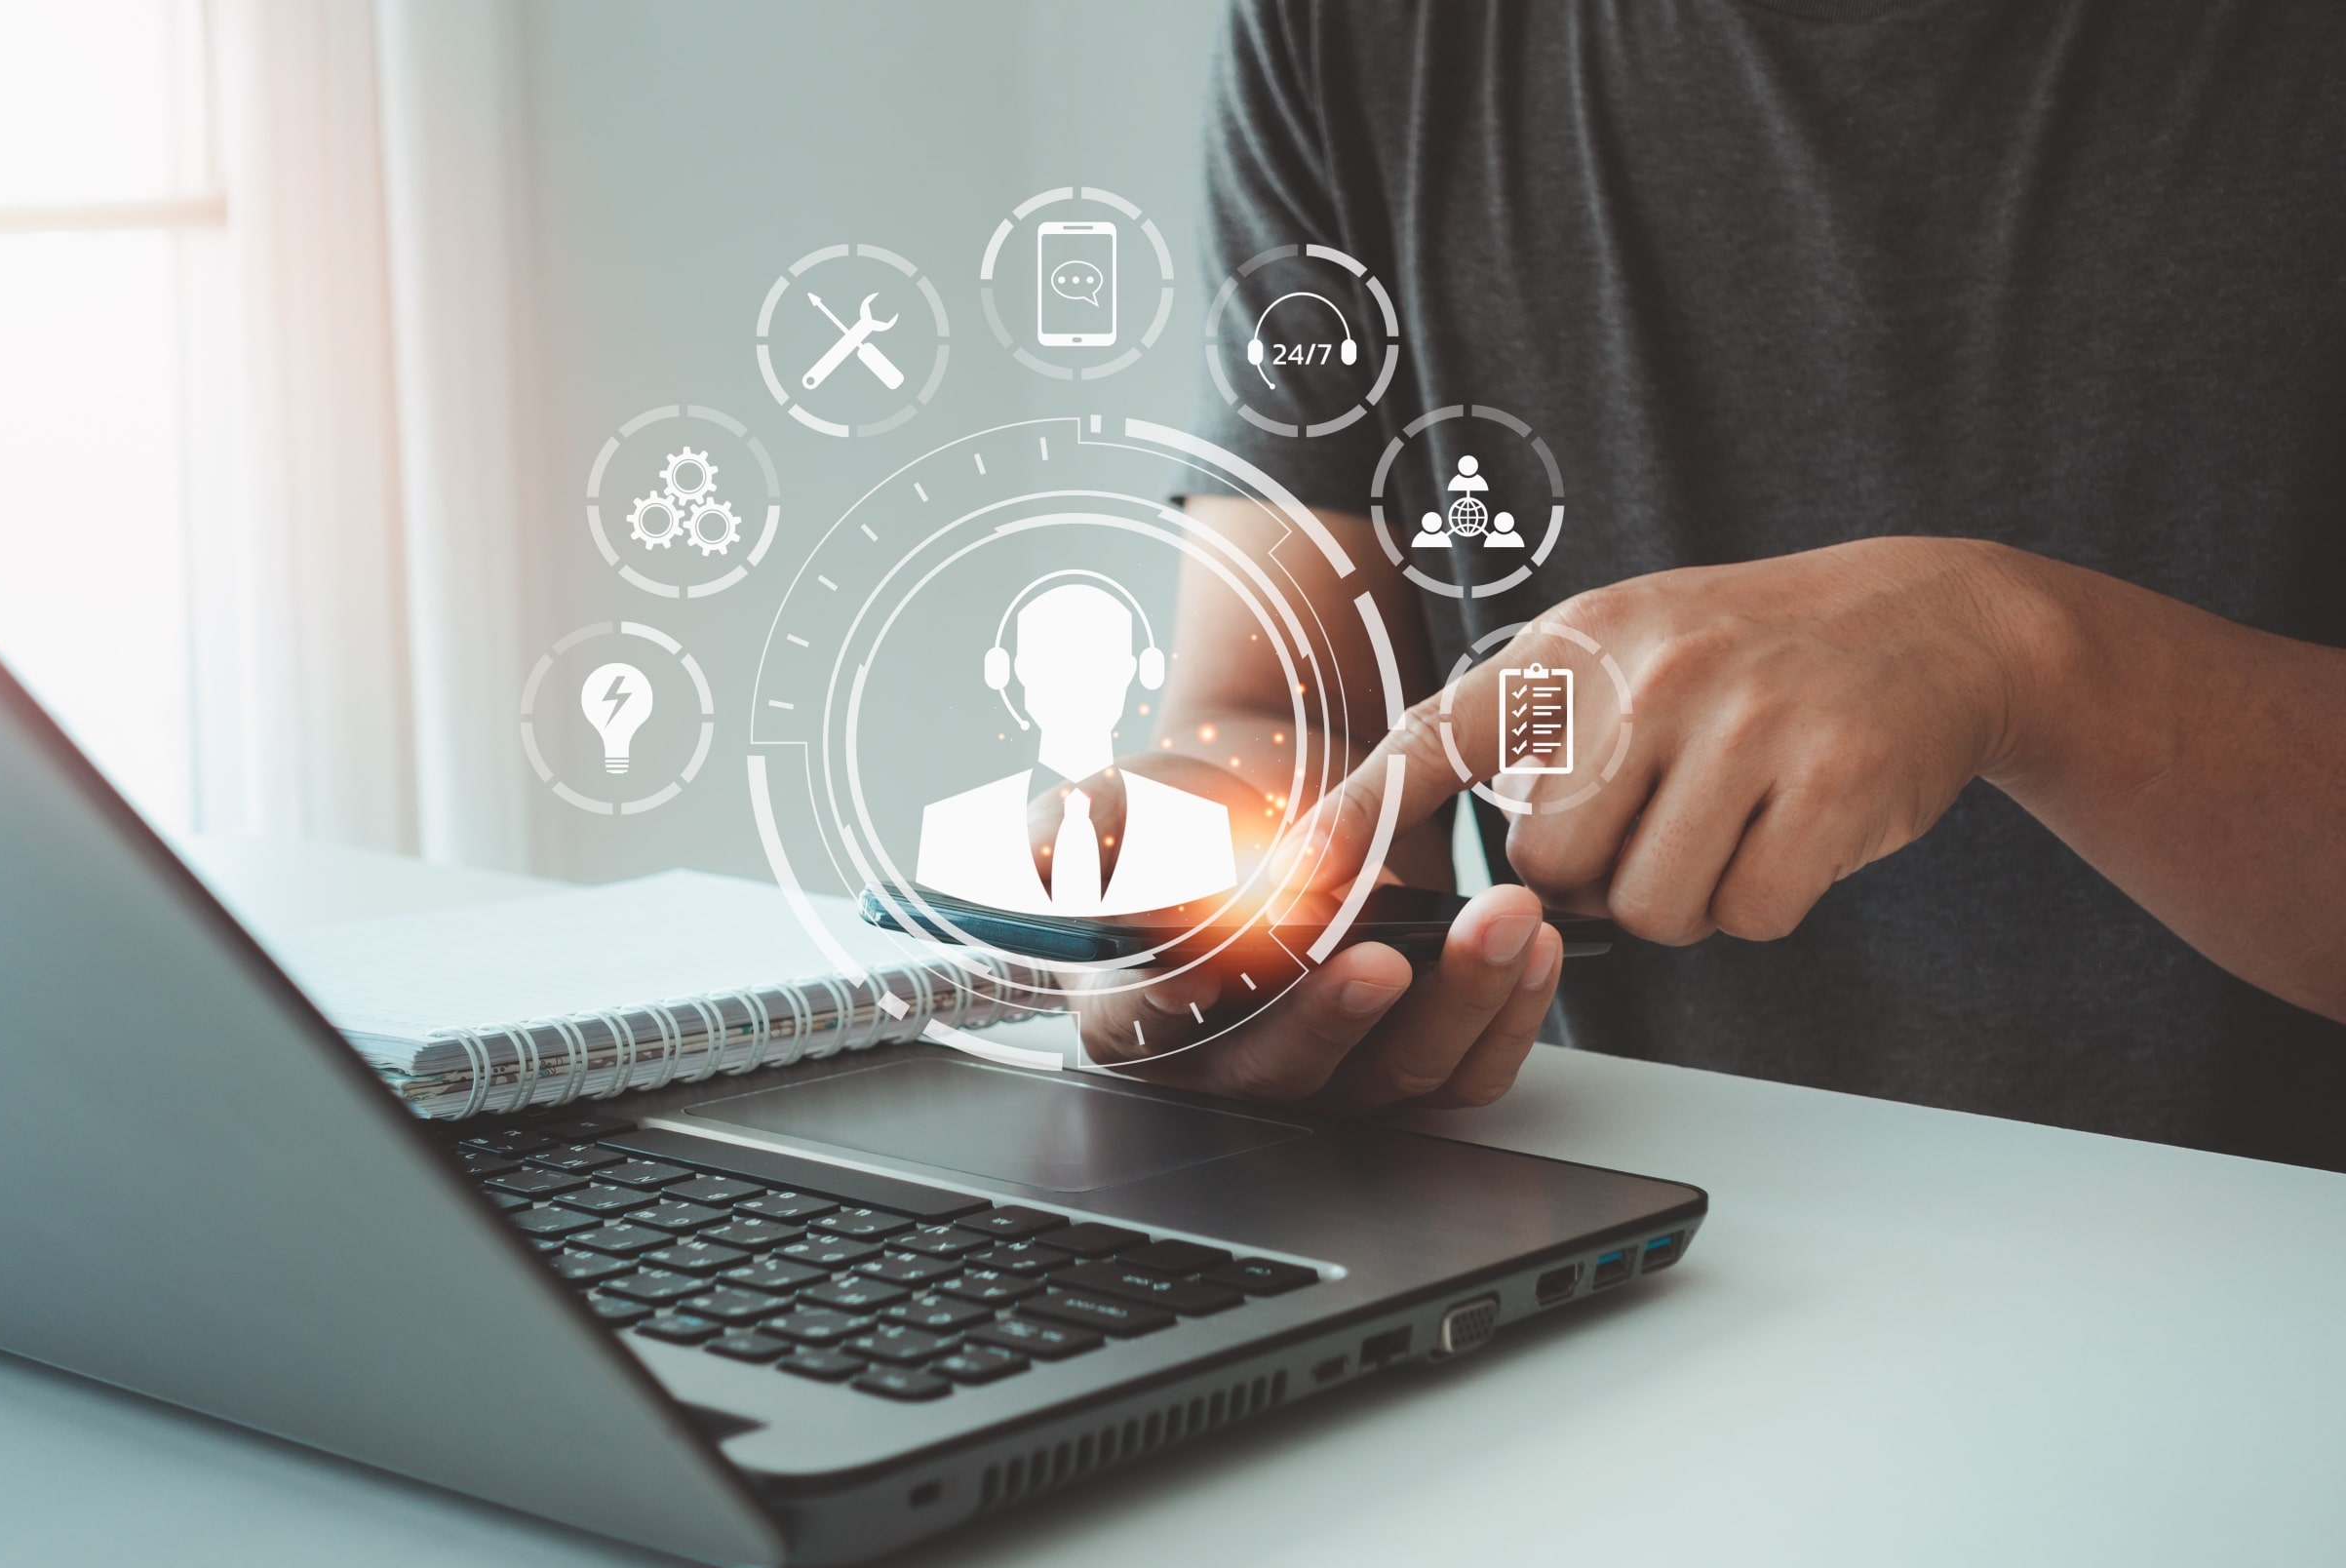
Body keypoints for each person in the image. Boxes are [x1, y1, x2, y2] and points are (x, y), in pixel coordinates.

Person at [1078, 0, 2346, 1168]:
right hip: (1623, 1233)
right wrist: (1191, 884)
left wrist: (2024, 659)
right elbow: (1288, 717)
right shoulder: (1347, 28)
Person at [917, 581, 1235, 915]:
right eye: (1053, 657)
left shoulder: (1187, 829)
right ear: (1014, 670)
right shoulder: (956, 831)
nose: (1076, 679)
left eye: (1096, 657)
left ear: (1132, 670)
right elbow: (1233, 712)